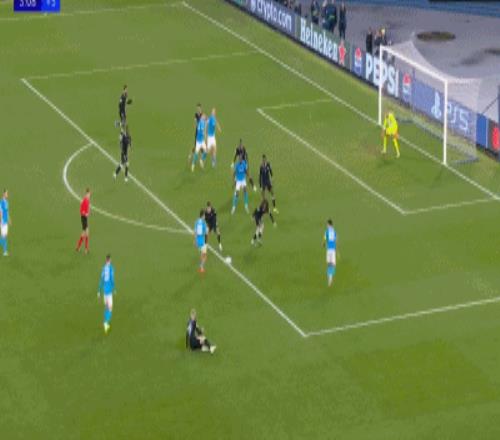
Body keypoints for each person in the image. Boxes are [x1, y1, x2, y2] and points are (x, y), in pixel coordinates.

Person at [97, 254, 116, 334]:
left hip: (104, 292)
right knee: (110, 308)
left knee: (106, 307)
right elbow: (112, 279)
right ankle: (106, 323)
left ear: (106, 260)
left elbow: (101, 280)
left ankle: (105, 322)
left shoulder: (103, 269)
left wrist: (98, 291)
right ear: (110, 260)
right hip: (109, 292)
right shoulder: (111, 268)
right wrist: (114, 288)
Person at [76, 188, 90, 254]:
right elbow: (81, 211)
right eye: (88, 194)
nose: (89, 195)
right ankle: (86, 249)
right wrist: (85, 214)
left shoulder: (87, 200)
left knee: (84, 233)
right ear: (86, 194)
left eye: (89, 194)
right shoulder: (84, 200)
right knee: (86, 233)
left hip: (85, 218)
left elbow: (87, 209)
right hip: (83, 218)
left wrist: (87, 213)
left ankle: (78, 247)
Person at [323, 219, 337, 287]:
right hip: (333, 250)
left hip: (329, 250)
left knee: (329, 264)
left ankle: (330, 278)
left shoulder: (327, 231)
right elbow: (336, 240)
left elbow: (324, 240)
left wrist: (323, 244)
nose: (327, 225)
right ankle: (330, 278)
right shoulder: (334, 232)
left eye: (327, 224)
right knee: (333, 264)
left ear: (329, 224)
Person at [0, 189, 11, 257]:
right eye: (6, 193)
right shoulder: (1, 202)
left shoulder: (7, 202)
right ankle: (5, 251)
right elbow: (0, 212)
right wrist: (1, 221)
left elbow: (7, 211)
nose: (7, 195)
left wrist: (9, 219)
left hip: (6, 221)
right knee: (3, 236)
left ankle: (5, 251)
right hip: (3, 221)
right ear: (4, 194)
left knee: (5, 236)